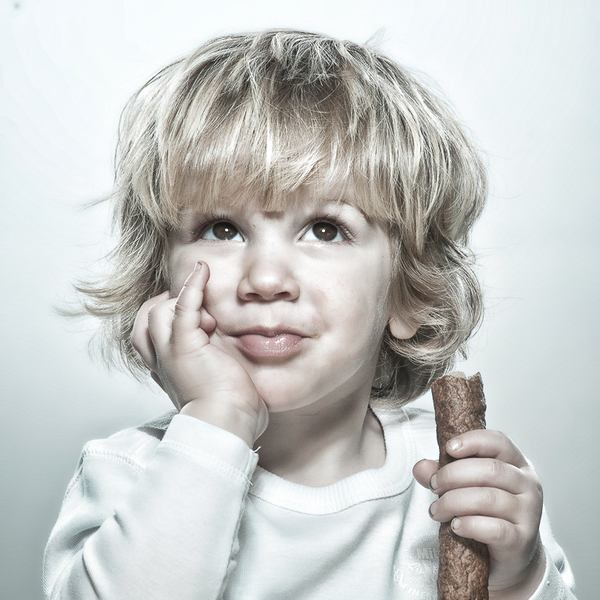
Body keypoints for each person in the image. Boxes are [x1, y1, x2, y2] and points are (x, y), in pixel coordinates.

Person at [43, 29, 576, 599]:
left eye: (326, 230)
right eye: (222, 229)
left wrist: (518, 578)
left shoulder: (468, 488)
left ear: (407, 292)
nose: (265, 279)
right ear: (161, 282)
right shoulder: (127, 476)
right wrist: (218, 420)